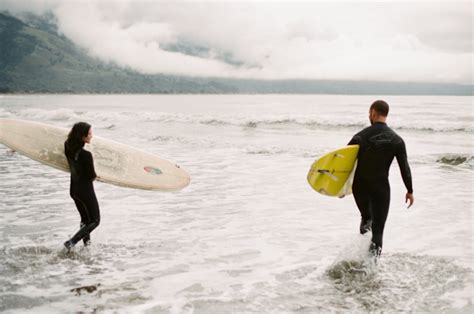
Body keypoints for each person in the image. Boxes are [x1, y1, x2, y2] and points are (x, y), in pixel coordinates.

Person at [348, 100, 414, 257]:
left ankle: (360, 255)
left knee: (366, 218)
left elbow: (344, 161)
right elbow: (405, 167)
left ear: (373, 112)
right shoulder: (397, 140)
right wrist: (409, 190)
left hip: (360, 187)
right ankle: (371, 268)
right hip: (380, 188)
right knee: (378, 232)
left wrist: (341, 186)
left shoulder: (360, 136)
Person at [63, 122, 100, 251]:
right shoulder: (86, 155)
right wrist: (97, 176)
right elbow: (91, 176)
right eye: (89, 134)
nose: (91, 136)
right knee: (95, 220)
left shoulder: (67, 147)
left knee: (85, 220)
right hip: (85, 191)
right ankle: (72, 242)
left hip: (74, 190)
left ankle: (87, 247)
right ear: (82, 136)